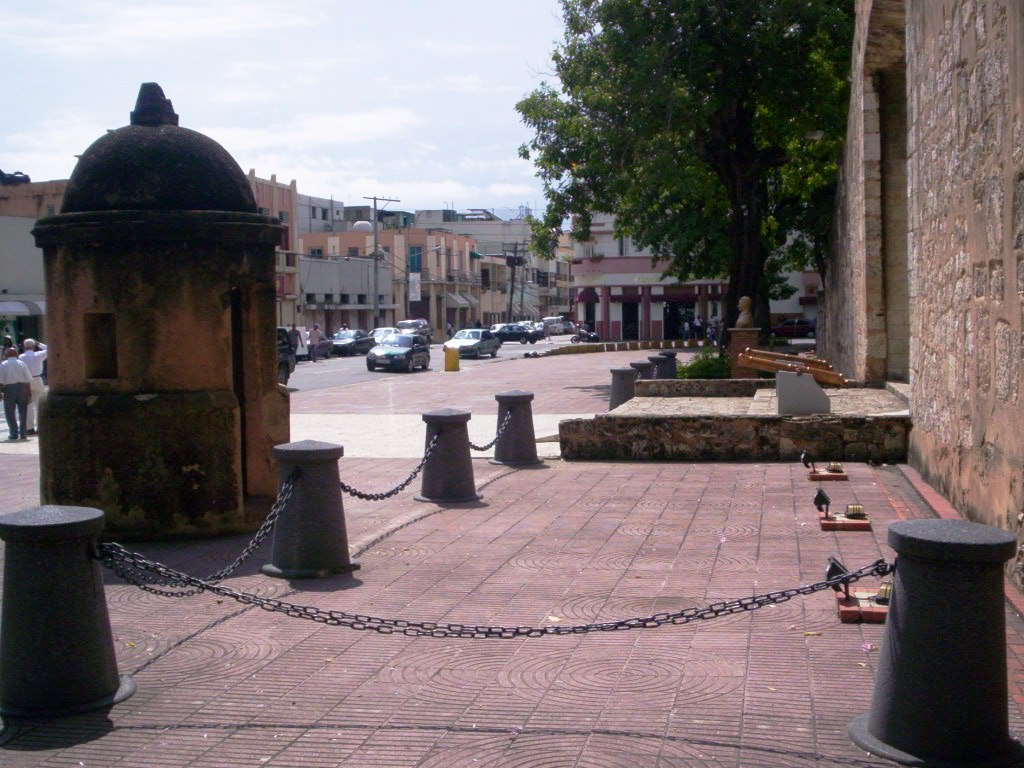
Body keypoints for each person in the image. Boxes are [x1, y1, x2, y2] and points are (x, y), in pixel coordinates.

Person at [0, 347, 32, 441]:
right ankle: (23, 433)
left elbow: (0, 380)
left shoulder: (3, 364)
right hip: (22, 387)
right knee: (23, 411)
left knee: (10, 412)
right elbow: (28, 379)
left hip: (9, 388)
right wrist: (29, 392)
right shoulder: (22, 363)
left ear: (7, 355)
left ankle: (14, 433)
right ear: (16, 354)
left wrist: (0, 392)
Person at [18, 338, 47, 435]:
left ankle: (29, 428)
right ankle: (40, 427)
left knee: (28, 405)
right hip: (37, 379)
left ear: (24, 346)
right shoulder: (38, 354)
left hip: (26, 380)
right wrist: (39, 344)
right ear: (33, 346)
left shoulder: (21, 357)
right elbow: (49, 349)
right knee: (39, 404)